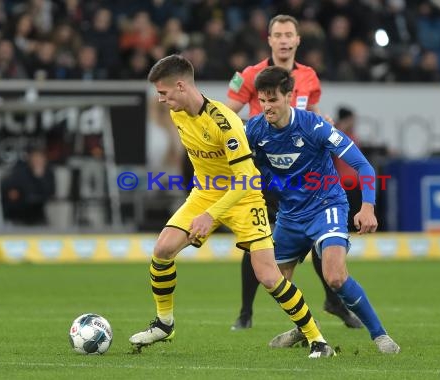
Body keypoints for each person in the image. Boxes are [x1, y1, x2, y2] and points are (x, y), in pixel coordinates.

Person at [129, 54, 335, 358]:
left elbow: (247, 178)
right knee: (162, 250)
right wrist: (205, 205)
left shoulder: (224, 123)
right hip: (205, 194)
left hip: (244, 196)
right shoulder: (178, 112)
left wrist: (210, 216)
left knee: (268, 276)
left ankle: (317, 339)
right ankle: (164, 323)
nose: (160, 100)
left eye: (163, 92)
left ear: (182, 86)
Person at [245, 66, 400, 354]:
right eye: (262, 101)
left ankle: (380, 336)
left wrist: (368, 207)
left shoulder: (314, 126)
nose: (267, 107)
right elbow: (237, 161)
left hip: (325, 206)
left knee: (335, 276)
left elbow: (363, 165)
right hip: (289, 215)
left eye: (273, 100)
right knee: (272, 279)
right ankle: (306, 328)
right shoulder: (253, 130)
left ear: (289, 96)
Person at [227, 14, 362, 331]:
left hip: (302, 171)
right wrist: (250, 136)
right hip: (265, 170)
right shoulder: (249, 75)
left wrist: (322, 119)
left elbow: (310, 115)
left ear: (298, 40)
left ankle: (332, 300)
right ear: (269, 39)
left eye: (290, 34)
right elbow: (227, 115)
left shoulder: (310, 77)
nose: (285, 40)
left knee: (318, 234)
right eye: (279, 34)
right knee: (258, 236)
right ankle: (245, 311)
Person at [1, 145, 55, 226]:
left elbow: (50, 192)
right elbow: (7, 186)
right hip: (20, 212)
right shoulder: (21, 171)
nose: (37, 161)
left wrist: (39, 177)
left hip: (38, 212)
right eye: (35, 158)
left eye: (40, 158)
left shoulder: (48, 173)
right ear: (30, 159)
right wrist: (12, 192)